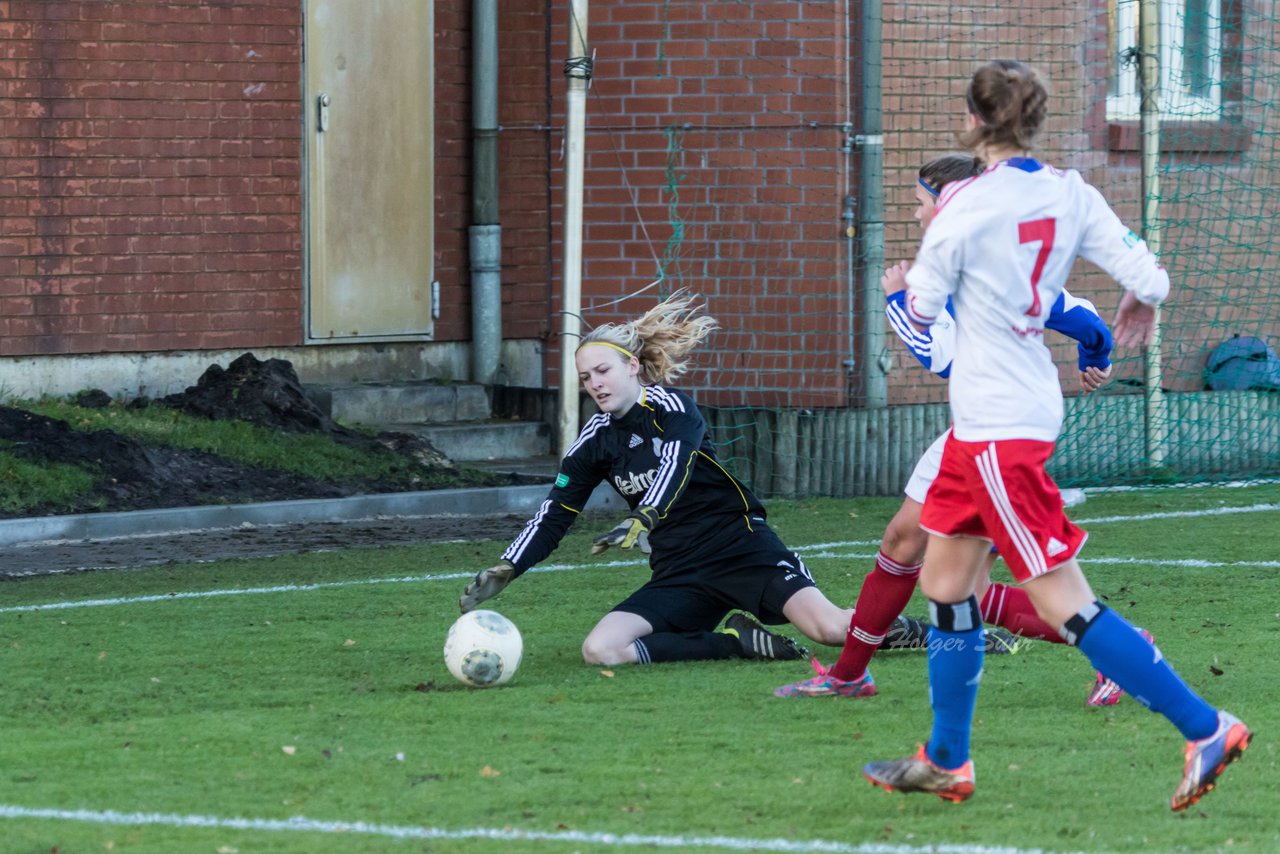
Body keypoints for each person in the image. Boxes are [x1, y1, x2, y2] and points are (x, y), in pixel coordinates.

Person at [861, 60, 1250, 811]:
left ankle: (1206, 726)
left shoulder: (963, 210)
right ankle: (947, 760)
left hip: (998, 427)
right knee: (946, 588)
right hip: (1004, 420)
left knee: (1067, 604)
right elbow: (1152, 276)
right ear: (1033, 121)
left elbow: (924, 304)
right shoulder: (1072, 193)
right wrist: (1136, 304)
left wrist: (909, 288)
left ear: (972, 123)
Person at [775, 153, 1132, 706]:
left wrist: (896, 300)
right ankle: (850, 675)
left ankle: (1122, 656)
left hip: (995, 429)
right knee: (954, 576)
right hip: (983, 424)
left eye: (920, 204)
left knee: (939, 558)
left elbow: (944, 358)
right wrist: (1096, 354)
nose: (915, 216)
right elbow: (1080, 313)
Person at [458, 292, 853, 666]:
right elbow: (555, 512)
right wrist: (511, 565)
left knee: (832, 629)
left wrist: (644, 515)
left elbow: (675, 464)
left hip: (740, 547)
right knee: (601, 649)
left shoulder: (672, 406)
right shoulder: (593, 442)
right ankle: (737, 643)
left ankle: (915, 634)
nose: (594, 383)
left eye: (602, 371)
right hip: (680, 568)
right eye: (585, 377)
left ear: (632, 366)